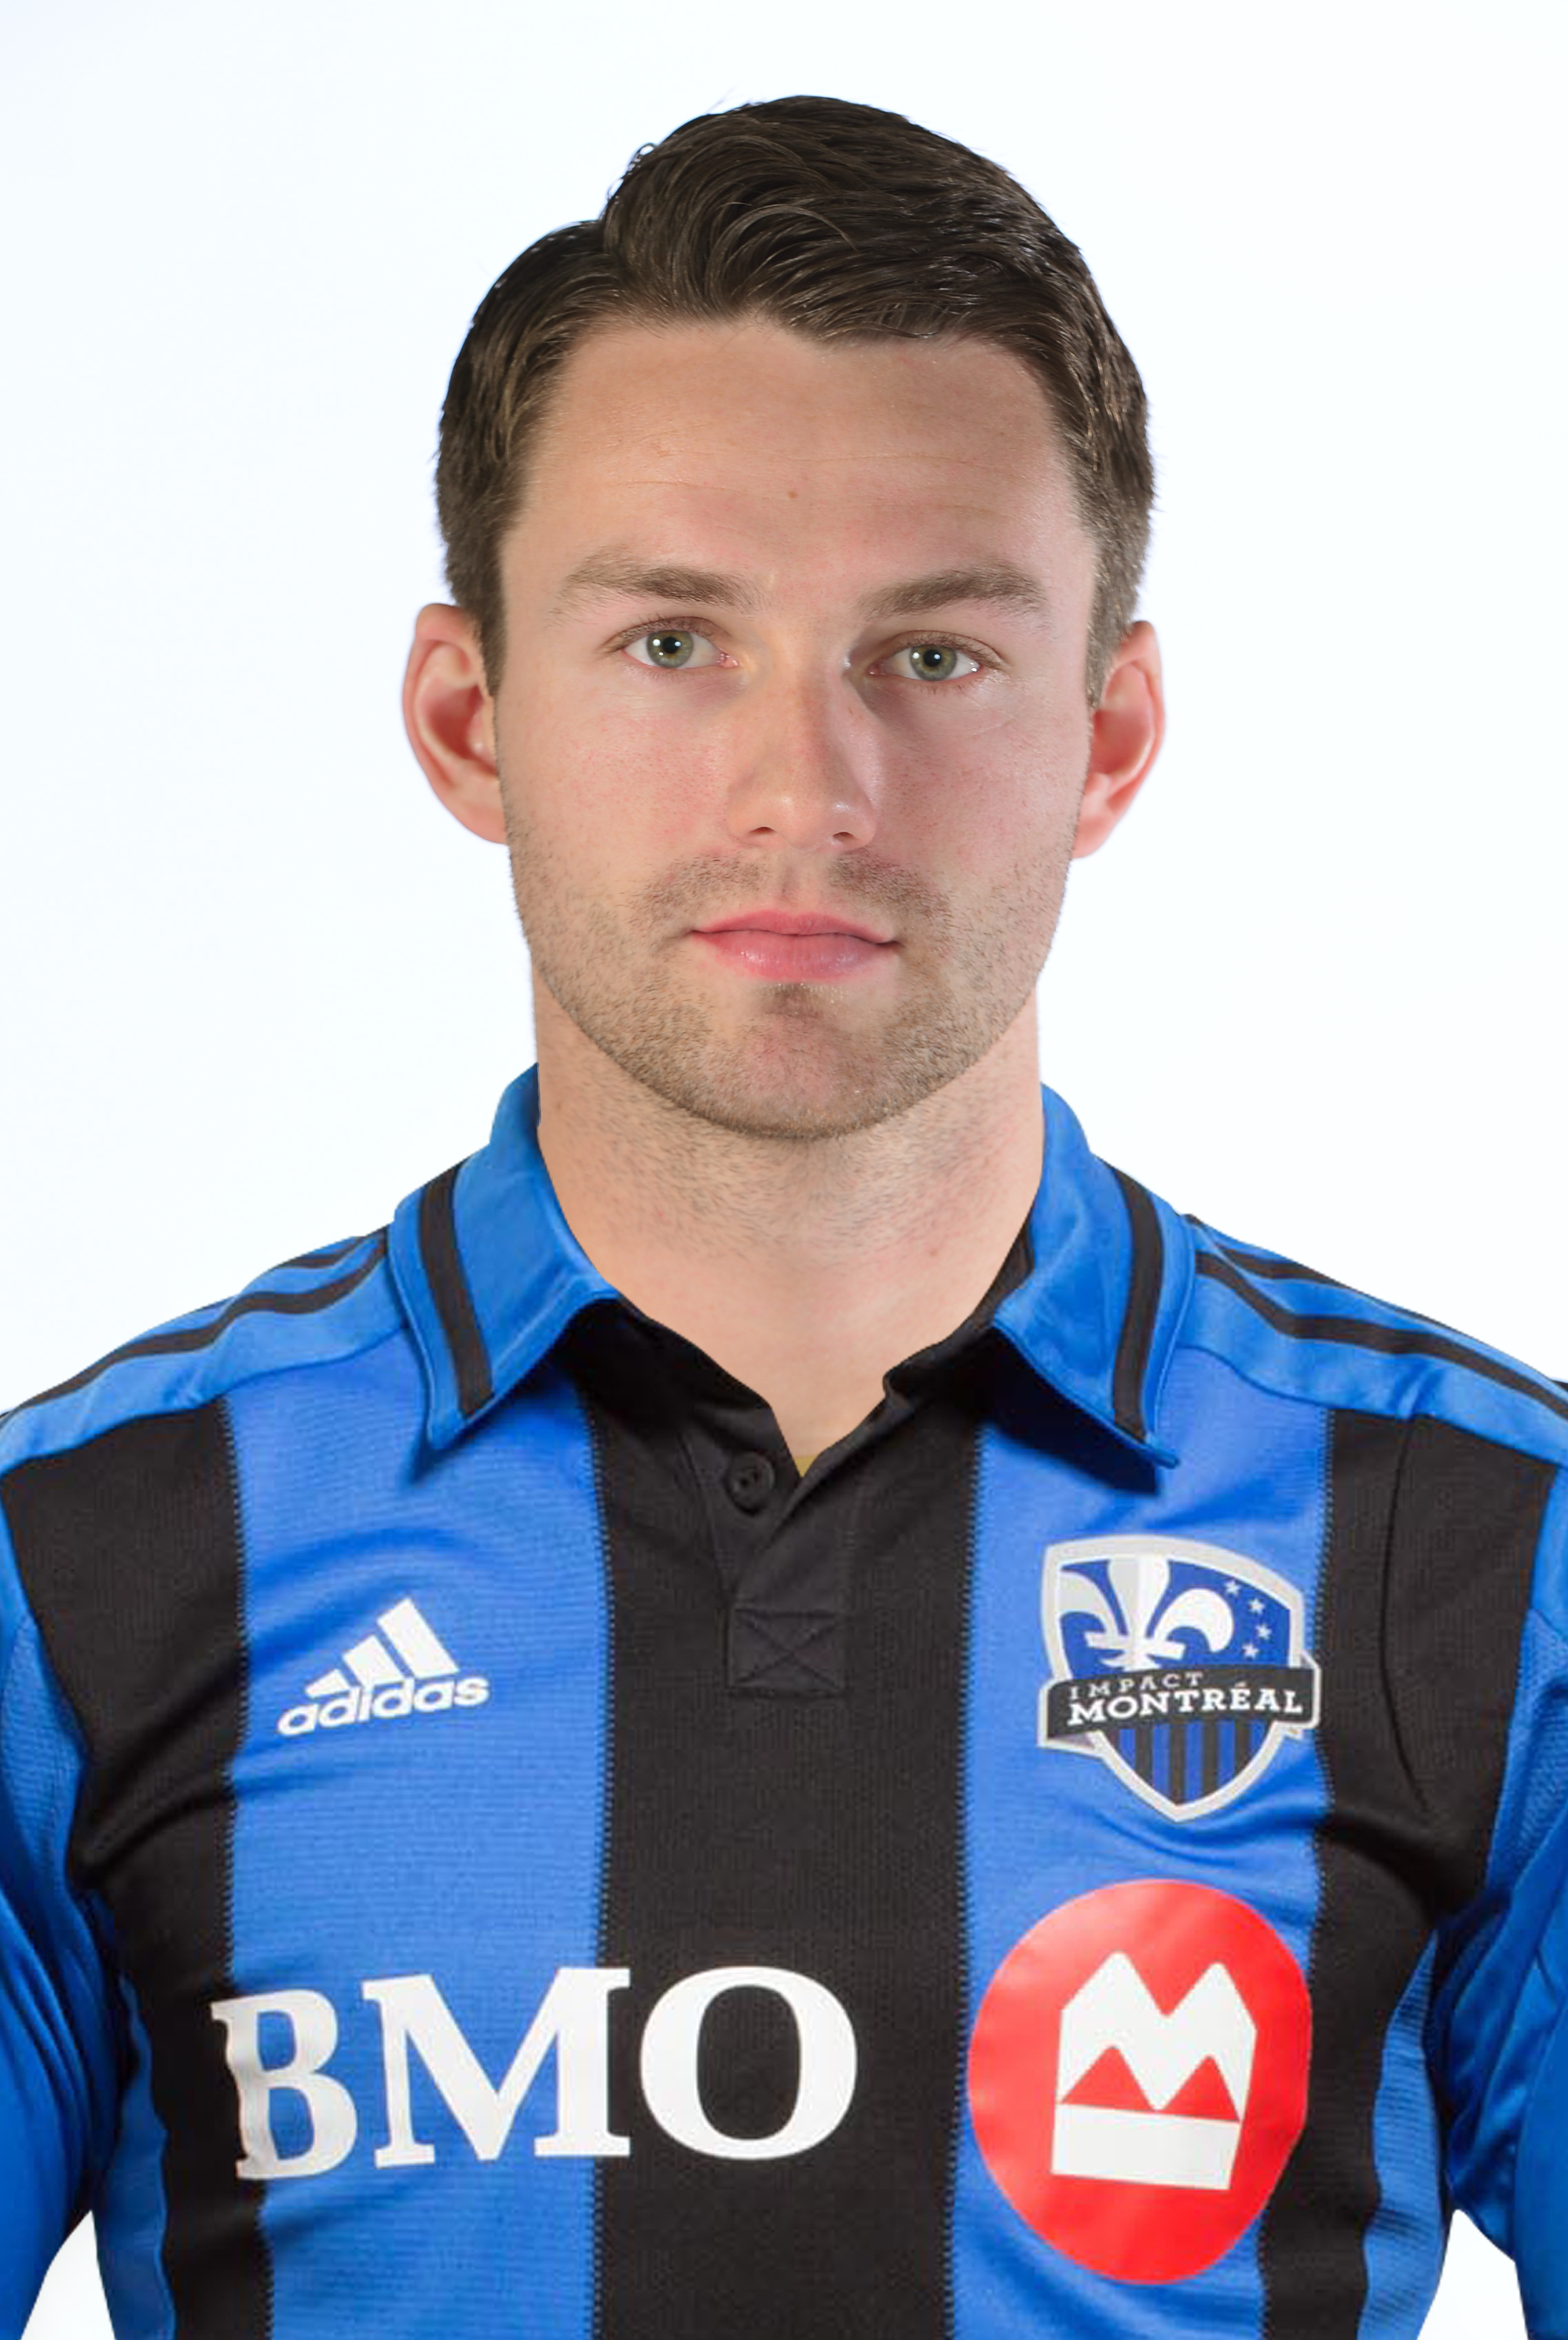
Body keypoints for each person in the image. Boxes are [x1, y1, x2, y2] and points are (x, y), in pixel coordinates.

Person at [1, 90, 1562, 2340]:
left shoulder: (1483, 1549)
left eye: (930, 653)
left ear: (1108, 733)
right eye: (672, 641)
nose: (803, 789)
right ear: (467, 718)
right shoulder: (81, 1566)